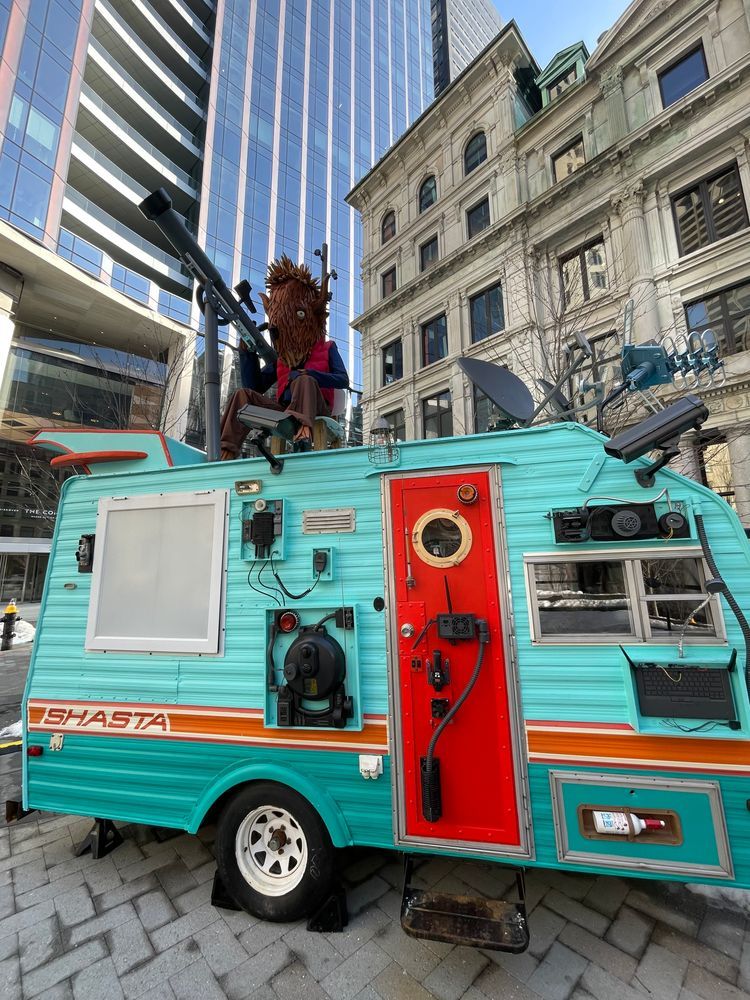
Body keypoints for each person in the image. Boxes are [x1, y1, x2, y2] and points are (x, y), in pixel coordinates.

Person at [219, 256, 349, 459]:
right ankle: (225, 450)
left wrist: (310, 374)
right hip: (286, 412)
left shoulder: (327, 348)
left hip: (318, 407)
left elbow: (343, 380)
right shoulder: (282, 359)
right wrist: (247, 354)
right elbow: (254, 387)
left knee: (304, 380)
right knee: (242, 395)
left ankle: (303, 433)